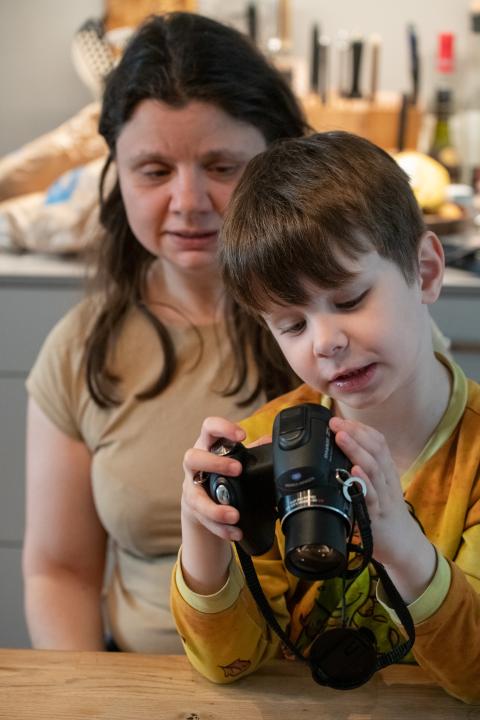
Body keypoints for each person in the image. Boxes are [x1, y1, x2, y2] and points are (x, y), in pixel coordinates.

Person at [22, 12, 309, 653]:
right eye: (154, 170)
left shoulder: (350, 326)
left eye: (223, 166)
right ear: (117, 174)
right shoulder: (79, 351)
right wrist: (88, 701)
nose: (188, 201)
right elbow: (59, 572)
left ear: (279, 159)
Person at [173, 132, 480, 703]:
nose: (327, 342)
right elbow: (231, 664)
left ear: (427, 272)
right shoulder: (270, 442)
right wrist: (204, 542)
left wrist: (402, 546)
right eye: (291, 325)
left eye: (348, 299)